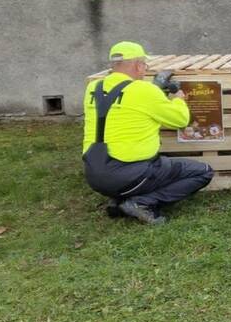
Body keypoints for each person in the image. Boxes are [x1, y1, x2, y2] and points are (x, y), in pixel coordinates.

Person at [82, 41, 213, 224]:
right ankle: (142, 202)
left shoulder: (93, 88)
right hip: (132, 174)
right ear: (137, 65)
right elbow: (181, 120)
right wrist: (178, 99)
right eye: (145, 65)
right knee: (203, 172)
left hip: (94, 173)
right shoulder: (145, 91)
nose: (145, 69)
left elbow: (125, 102)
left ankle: (118, 200)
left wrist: (155, 89)